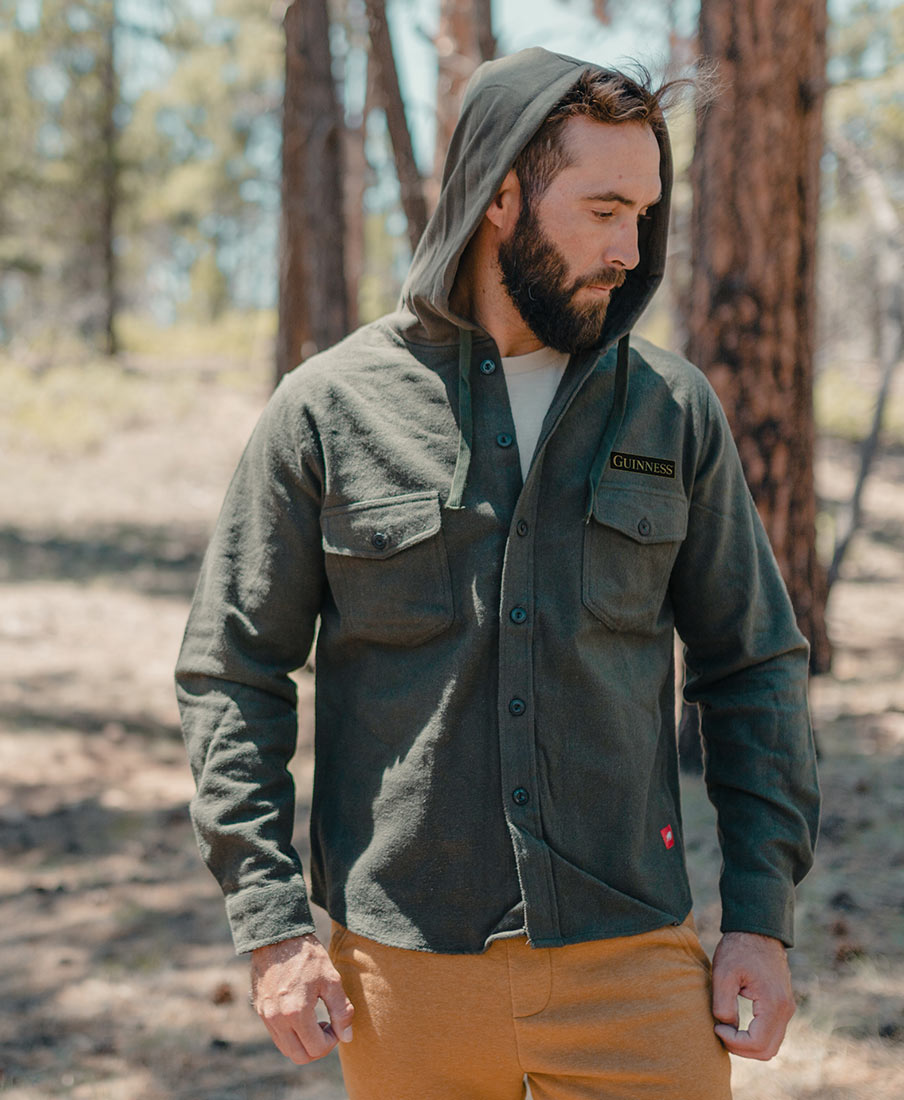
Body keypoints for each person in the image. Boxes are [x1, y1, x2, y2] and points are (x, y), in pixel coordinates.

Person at [176, 47, 819, 1100]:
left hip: (634, 963)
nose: (630, 248)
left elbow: (752, 665)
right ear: (500, 197)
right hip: (403, 972)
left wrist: (758, 915)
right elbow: (231, 671)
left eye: (644, 213)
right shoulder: (327, 409)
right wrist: (272, 924)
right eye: (602, 208)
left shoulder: (667, 407)